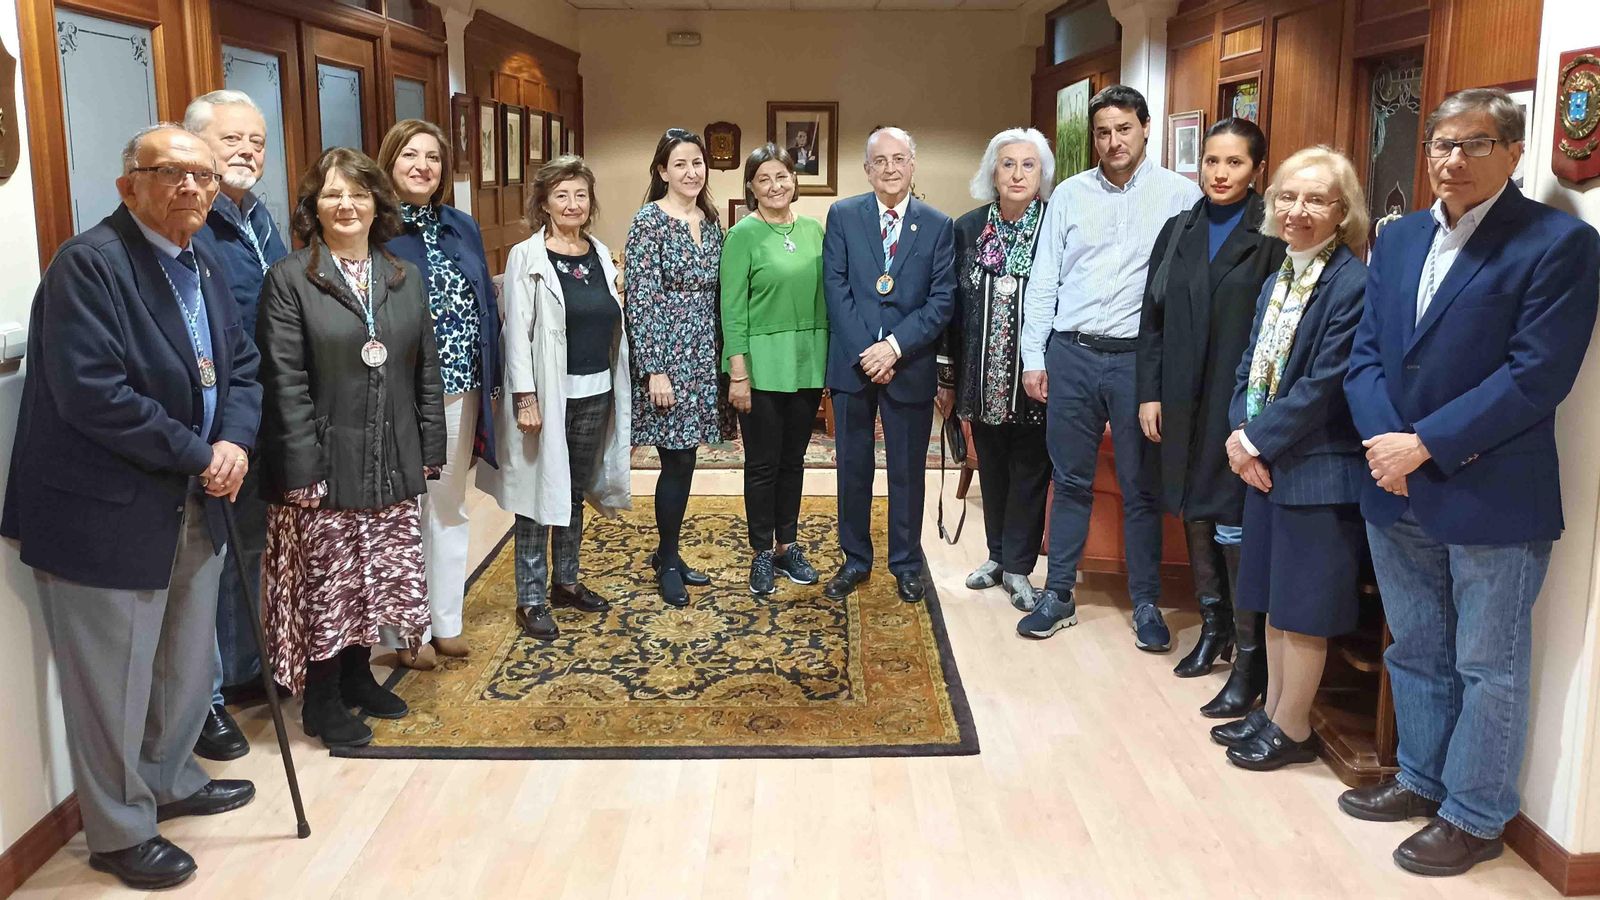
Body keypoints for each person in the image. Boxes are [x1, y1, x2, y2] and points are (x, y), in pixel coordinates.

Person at [1341, 88, 1600, 877]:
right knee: (1416, 646)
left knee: (1490, 663)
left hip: (1491, 489)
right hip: (1395, 484)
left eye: (1474, 145)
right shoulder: (1399, 238)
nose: (1452, 161)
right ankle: (1420, 778)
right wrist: (1387, 445)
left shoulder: (1557, 243)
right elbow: (1366, 354)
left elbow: (1535, 377)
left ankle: (1477, 813)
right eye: (1440, 146)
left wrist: (1422, 445)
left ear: (1513, 151)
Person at [0, 123, 260, 890]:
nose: (189, 188)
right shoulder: (90, 266)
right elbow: (95, 396)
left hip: (195, 495)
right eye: (169, 173)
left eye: (202, 176)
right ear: (128, 186)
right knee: (112, 681)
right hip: (104, 510)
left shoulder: (203, 257)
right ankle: (116, 830)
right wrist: (201, 452)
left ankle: (172, 777)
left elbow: (239, 366)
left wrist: (236, 444)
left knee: (183, 661)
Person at [255, 147, 446, 750]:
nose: (347, 205)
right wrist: (302, 469)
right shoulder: (291, 278)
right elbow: (284, 381)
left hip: (391, 453)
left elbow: (426, 370)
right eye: (333, 194)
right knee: (329, 584)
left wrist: (429, 446)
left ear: (377, 205)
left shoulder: (401, 276)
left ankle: (361, 676)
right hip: (325, 462)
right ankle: (322, 697)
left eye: (359, 194)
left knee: (375, 575)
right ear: (314, 206)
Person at [1018, 85, 1202, 648]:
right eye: (1103, 131)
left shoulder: (1181, 196)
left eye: (1124, 128)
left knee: (1140, 485)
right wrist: (1033, 356)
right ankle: (1059, 593)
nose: (1113, 141)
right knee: (1069, 479)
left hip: (1138, 362)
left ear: (1146, 128)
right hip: (1070, 353)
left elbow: (1188, 289)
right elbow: (1045, 276)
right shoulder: (1070, 195)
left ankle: (1146, 601)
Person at [1207, 146, 1370, 772]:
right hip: (1267, 466)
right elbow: (1248, 367)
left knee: (1302, 609)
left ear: (1342, 210)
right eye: (1288, 197)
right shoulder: (1281, 276)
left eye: (1316, 199)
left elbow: (1324, 385)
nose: (1297, 211)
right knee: (1273, 598)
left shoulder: (1350, 282)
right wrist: (1239, 436)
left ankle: (1294, 726)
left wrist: (1252, 441)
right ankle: (1271, 712)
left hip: (1317, 470)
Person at [1136, 117, 1286, 702]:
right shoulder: (1178, 229)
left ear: (1257, 171)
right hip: (1177, 395)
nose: (1220, 174)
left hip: (1237, 397)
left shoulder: (1272, 234)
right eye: (1212, 162)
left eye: (1235, 163)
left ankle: (1248, 649)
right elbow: (1151, 320)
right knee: (1191, 505)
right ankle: (1213, 622)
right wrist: (1149, 392)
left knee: (1228, 512)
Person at [481, 156, 631, 640]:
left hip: (596, 391)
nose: (572, 204)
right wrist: (525, 397)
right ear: (543, 203)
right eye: (562, 195)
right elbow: (515, 334)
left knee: (573, 491)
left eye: (580, 195)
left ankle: (566, 581)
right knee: (534, 494)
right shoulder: (527, 256)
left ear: (590, 203)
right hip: (546, 397)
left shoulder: (601, 253)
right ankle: (530, 597)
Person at [185, 89, 290, 761]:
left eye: (255, 139)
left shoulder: (257, 216)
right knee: (207, 562)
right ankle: (206, 701)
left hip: (262, 417)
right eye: (233, 140)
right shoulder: (192, 222)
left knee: (250, 549)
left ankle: (247, 670)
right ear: (198, 146)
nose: (249, 150)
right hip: (214, 425)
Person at [377, 119, 502, 669]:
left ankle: (445, 619)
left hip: (460, 388)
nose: (423, 166)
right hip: (398, 391)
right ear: (389, 161)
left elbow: (483, 302)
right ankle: (404, 630)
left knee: (447, 505)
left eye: (432, 157)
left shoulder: (461, 225)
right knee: (402, 509)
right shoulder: (372, 227)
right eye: (410, 155)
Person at [821, 126, 956, 604]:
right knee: (852, 468)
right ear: (867, 169)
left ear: (913, 164)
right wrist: (869, 352)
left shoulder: (939, 225)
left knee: (906, 470)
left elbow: (942, 301)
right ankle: (855, 559)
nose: (890, 169)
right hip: (853, 367)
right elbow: (834, 289)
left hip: (909, 365)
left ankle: (905, 562)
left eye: (899, 159)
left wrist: (894, 348)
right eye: (880, 161)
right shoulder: (843, 215)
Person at [936, 127, 1055, 612]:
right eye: (1008, 164)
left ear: (1042, 174)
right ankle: (996, 556)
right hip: (979, 376)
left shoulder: (1055, 226)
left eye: (1028, 165)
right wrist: (945, 377)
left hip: (1034, 378)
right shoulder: (965, 228)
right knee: (993, 469)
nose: (1018, 173)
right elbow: (948, 305)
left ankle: (1021, 569)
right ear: (992, 172)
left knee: (1030, 471)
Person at [625, 128, 734, 607]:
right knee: (677, 459)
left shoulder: (711, 222)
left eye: (697, 163)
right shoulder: (648, 221)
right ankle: (667, 559)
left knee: (687, 458)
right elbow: (642, 299)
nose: (691, 173)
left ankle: (669, 551)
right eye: (681, 164)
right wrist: (654, 369)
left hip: (704, 354)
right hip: (668, 355)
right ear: (662, 171)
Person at [720, 143, 827, 595]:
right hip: (760, 367)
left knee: (794, 461)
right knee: (762, 464)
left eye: (782, 176)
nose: (775, 185)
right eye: (764, 179)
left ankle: (788, 546)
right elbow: (732, 311)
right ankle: (761, 551)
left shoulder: (815, 231)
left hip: (807, 361)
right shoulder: (742, 235)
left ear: (794, 181)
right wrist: (738, 373)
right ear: (751, 188)